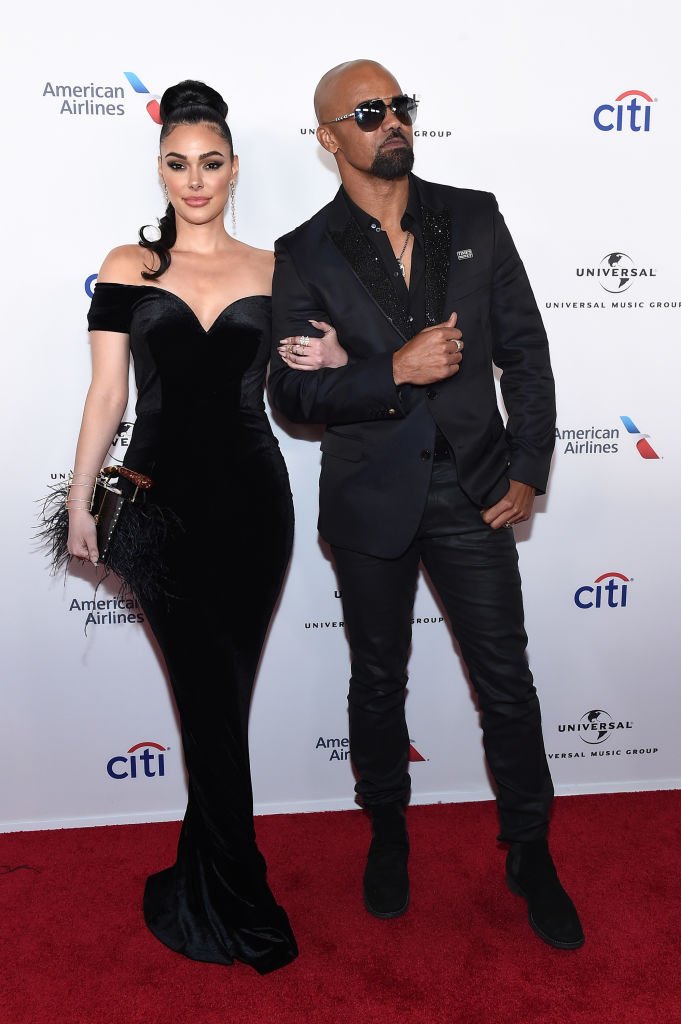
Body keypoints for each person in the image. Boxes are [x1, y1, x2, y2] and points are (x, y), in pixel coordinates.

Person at [269, 60, 584, 950]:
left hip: (475, 489)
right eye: (368, 112)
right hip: (370, 499)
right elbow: (290, 401)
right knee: (377, 682)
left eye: (399, 105)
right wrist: (388, 372)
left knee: (507, 685)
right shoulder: (305, 252)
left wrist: (528, 468)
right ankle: (387, 832)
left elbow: (525, 351)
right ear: (329, 138)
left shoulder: (473, 215)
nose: (391, 121)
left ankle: (529, 851)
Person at [63, 80, 331, 974]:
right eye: (177, 163)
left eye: (210, 162)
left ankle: (207, 880)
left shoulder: (276, 269)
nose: (194, 179)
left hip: (257, 510)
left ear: (234, 168)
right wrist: (79, 500)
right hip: (157, 506)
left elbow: (300, 391)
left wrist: (329, 356)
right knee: (205, 703)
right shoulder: (126, 267)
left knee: (222, 705)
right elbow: (108, 394)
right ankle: (238, 896)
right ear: (161, 169)